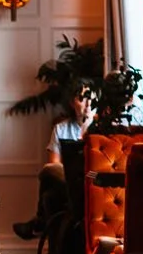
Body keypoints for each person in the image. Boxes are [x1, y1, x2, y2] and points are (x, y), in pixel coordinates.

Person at [12, 91, 93, 241]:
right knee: (50, 180)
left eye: (92, 98)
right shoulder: (61, 129)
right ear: (72, 102)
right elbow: (54, 165)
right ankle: (51, 243)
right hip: (69, 180)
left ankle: (39, 222)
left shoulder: (102, 128)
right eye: (82, 99)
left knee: (49, 195)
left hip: (92, 178)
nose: (88, 103)